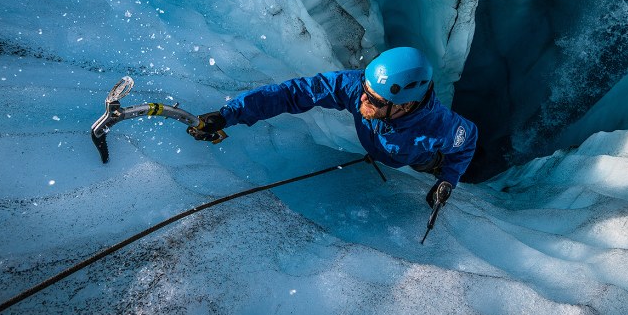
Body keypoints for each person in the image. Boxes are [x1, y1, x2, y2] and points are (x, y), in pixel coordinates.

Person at [191, 47, 478, 208]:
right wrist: (230, 114)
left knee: (429, 163)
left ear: (403, 104)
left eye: (374, 99)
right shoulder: (357, 88)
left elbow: (468, 139)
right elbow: (294, 93)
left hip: (420, 158)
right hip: (381, 147)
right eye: (364, 87)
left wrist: (448, 178)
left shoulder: (439, 127)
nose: (362, 97)